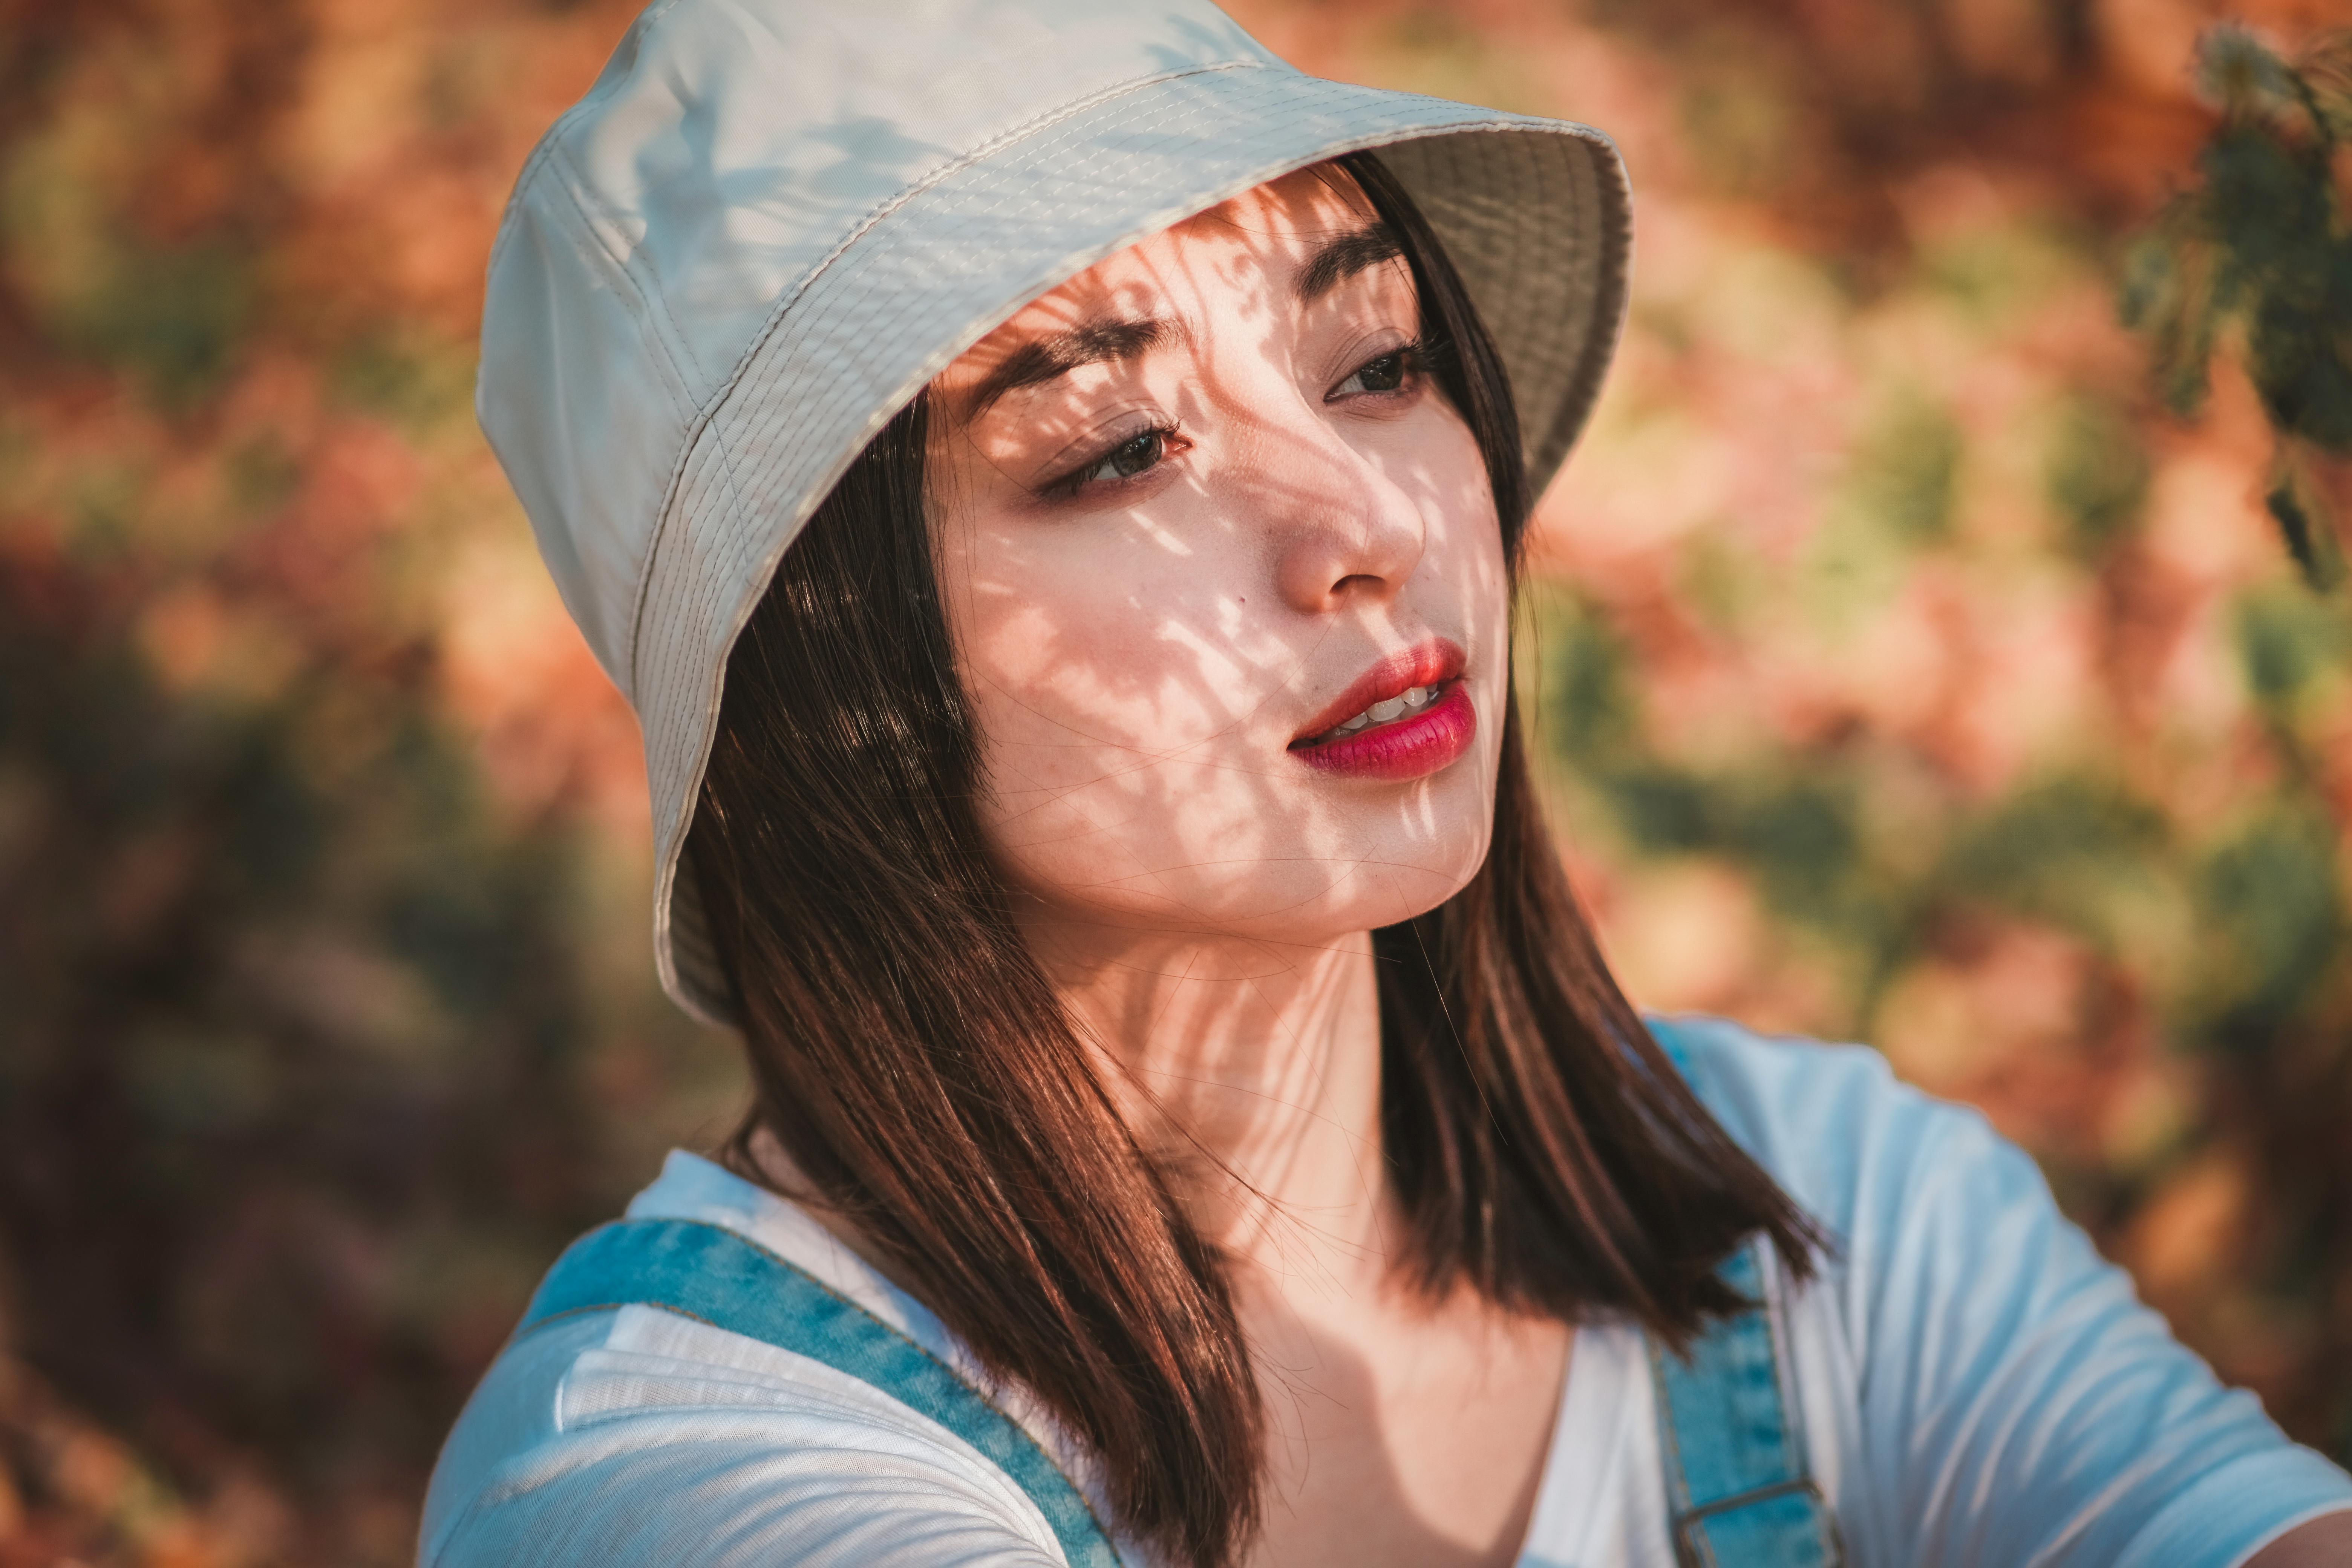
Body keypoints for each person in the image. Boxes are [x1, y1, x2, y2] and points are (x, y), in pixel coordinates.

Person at [419, 1, 2352, 1563]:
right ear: (824, 685)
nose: (1364, 521)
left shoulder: (1812, 1212)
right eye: (1116, 451)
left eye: (1374, 364)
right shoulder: (676, 1465)